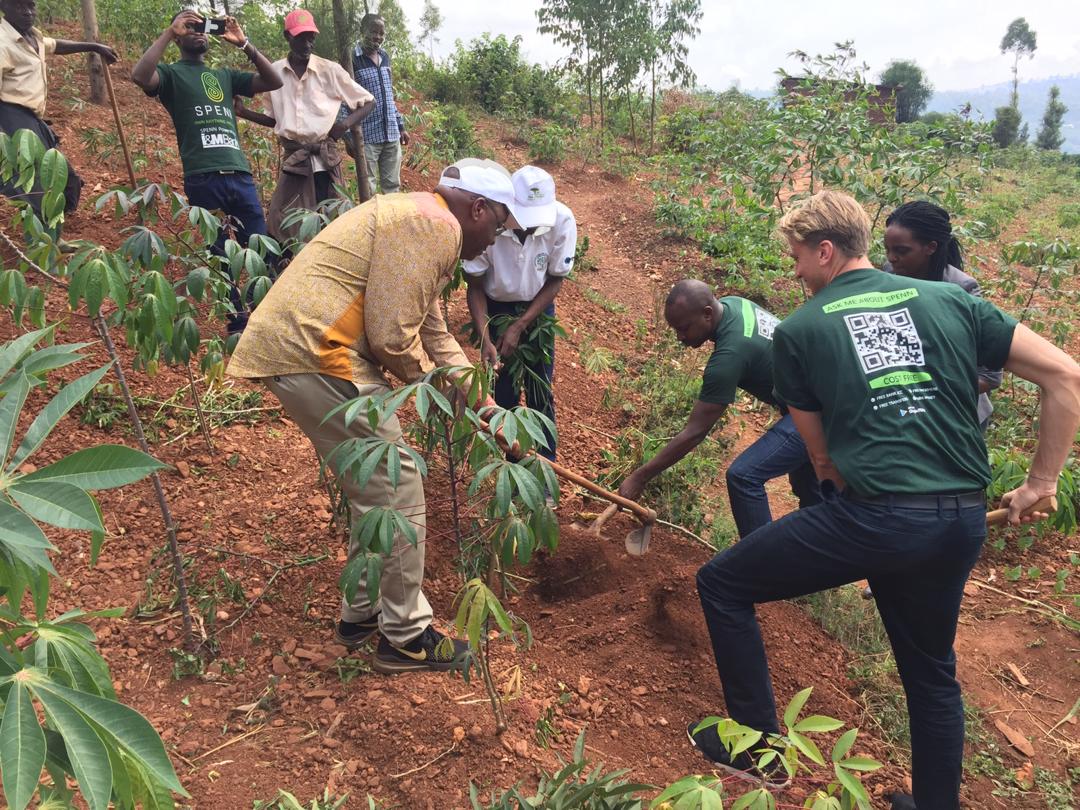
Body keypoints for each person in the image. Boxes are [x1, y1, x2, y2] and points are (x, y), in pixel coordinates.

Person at [689, 190, 1080, 810]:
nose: (792, 271)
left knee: (722, 584)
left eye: (795, 256)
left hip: (879, 519)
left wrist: (864, 509)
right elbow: (1065, 375)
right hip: (960, 521)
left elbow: (821, 462)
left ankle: (761, 752)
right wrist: (1042, 482)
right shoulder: (954, 299)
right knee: (931, 673)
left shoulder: (801, 329)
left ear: (825, 251)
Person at [227, 163, 520, 673]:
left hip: (303, 352)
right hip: (319, 351)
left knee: (375, 493)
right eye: (496, 228)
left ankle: (360, 615)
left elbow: (431, 333)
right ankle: (405, 635)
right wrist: (442, 398)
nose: (492, 243)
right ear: (477, 209)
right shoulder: (435, 226)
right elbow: (391, 338)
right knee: (397, 481)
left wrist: (484, 406)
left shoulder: (420, 219)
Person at [617, 279, 820, 538]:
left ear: (707, 314)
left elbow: (695, 432)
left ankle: (763, 566)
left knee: (743, 478)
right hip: (822, 397)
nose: (680, 337)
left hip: (817, 412)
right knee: (813, 493)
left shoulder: (729, 356)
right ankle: (822, 563)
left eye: (684, 328)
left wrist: (640, 477)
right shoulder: (733, 304)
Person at [131, 10, 282, 331]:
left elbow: (274, 81)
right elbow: (141, 76)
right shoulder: (171, 75)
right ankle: (237, 320)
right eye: (190, 27)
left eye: (203, 28)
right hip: (202, 176)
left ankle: (268, 316)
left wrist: (245, 45)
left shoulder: (225, 76)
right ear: (179, 36)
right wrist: (169, 32)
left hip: (238, 174)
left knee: (258, 245)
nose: (199, 32)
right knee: (218, 252)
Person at [464, 165, 575, 462]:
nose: (529, 228)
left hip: (537, 310)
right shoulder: (490, 225)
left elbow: (555, 279)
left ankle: (545, 466)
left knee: (541, 390)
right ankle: (510, 466)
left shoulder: (562, 220)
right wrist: (487, 337)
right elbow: (474, 286)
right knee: (504, 392)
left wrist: (522, 324)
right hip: (496, 308)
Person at [233, 9, 373, 244]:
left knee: (329, 218)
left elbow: (368, 101)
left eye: (311, 37)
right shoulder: (274, 72)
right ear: (288, 36)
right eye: (301, 37)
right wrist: (244, 112)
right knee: (282, 220)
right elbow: (275, 119)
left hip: (324, 160)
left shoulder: (329, 70)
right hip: (294, 159)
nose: (307, 43)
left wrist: (343, 125)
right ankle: (287, 264)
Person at [884, 200, 1001, 430]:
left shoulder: (962, 289)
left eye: (901, 251)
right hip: (907, 410)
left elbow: (990, 375)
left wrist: (927, 393)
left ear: (931, 247)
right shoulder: (891, 274)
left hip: (958, 417)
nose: (891, 258)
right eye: (887, 249)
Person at [0, 0, 117, 221]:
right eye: (19, 6)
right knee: (32, 180)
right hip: (10, 115)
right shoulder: (2, 41)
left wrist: (93, 46)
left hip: (32, 117)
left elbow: (55, 45)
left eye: (31, 6)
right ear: (4, 7)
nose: (27, 12)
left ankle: (58, 219)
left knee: (61, 173)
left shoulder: (32, 36)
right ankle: (45, 237)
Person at [351, 13, 408, 194]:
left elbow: (388, 96)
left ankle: (390, 222)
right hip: (367, 136)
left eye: (381, 33)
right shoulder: (353, 58)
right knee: (367, 188)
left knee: (392, 187)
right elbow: (346, 99)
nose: (378, 37)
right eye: (373, 31)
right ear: (362, 31)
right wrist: (348, 137)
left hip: (391, 133)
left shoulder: (385, 57)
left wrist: (400, 126)